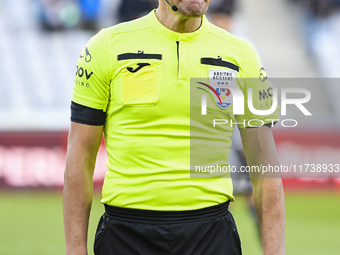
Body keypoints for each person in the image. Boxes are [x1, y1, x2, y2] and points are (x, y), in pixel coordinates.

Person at [63, 1, 286, 254]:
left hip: (211, 236)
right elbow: (80, 156)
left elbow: (265, 167)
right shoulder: (106, 46)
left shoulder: (242, 54)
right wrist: (75, 249)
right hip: (125, 235)